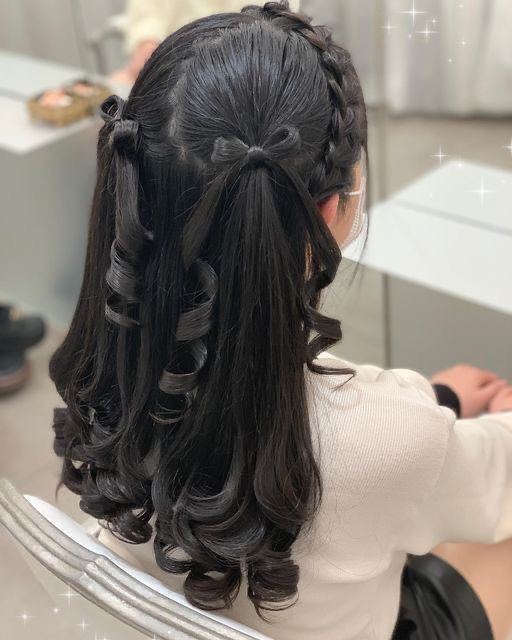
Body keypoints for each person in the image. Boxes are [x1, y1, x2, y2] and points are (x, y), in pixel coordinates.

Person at [50, 2, 512, 639]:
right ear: (331, 213)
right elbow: (493, 485)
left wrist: (437, 397)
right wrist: (451, 411)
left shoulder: (96, 377)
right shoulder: (395, 437)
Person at [111, 0, 301, 85]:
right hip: (171, 65)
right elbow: (147, 15)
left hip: (248, 68)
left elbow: (268, 28)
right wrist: (147, 43)